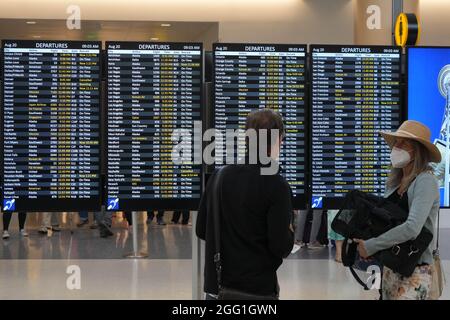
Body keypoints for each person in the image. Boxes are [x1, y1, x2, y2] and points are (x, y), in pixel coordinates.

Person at [196, 109, 294, 300]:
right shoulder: (276, 185)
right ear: (276, 140)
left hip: (218, 289)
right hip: (257, 291)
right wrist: (289, 230)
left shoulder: (219, 177)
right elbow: (281, 247)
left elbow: (201, 229)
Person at [354, 120, 441, 300]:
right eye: (396, 143)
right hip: (390, 266)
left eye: (403, 143)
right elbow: (387, 223)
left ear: (417, 151)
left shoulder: (425, 181)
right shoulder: (395, 182)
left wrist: (371, 246)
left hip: (415, 271)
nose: (396, 147)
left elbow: (412, 228)